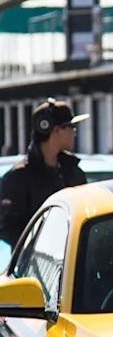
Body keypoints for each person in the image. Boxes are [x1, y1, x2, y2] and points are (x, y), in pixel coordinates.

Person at [0, 98, 89, 248]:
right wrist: (38, 246)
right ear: (55, 130)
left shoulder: (73, 172)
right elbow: (7, 227)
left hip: (72, 261)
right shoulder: (18, 178)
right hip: (37, 267)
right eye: (71, 127)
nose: (74, 132)